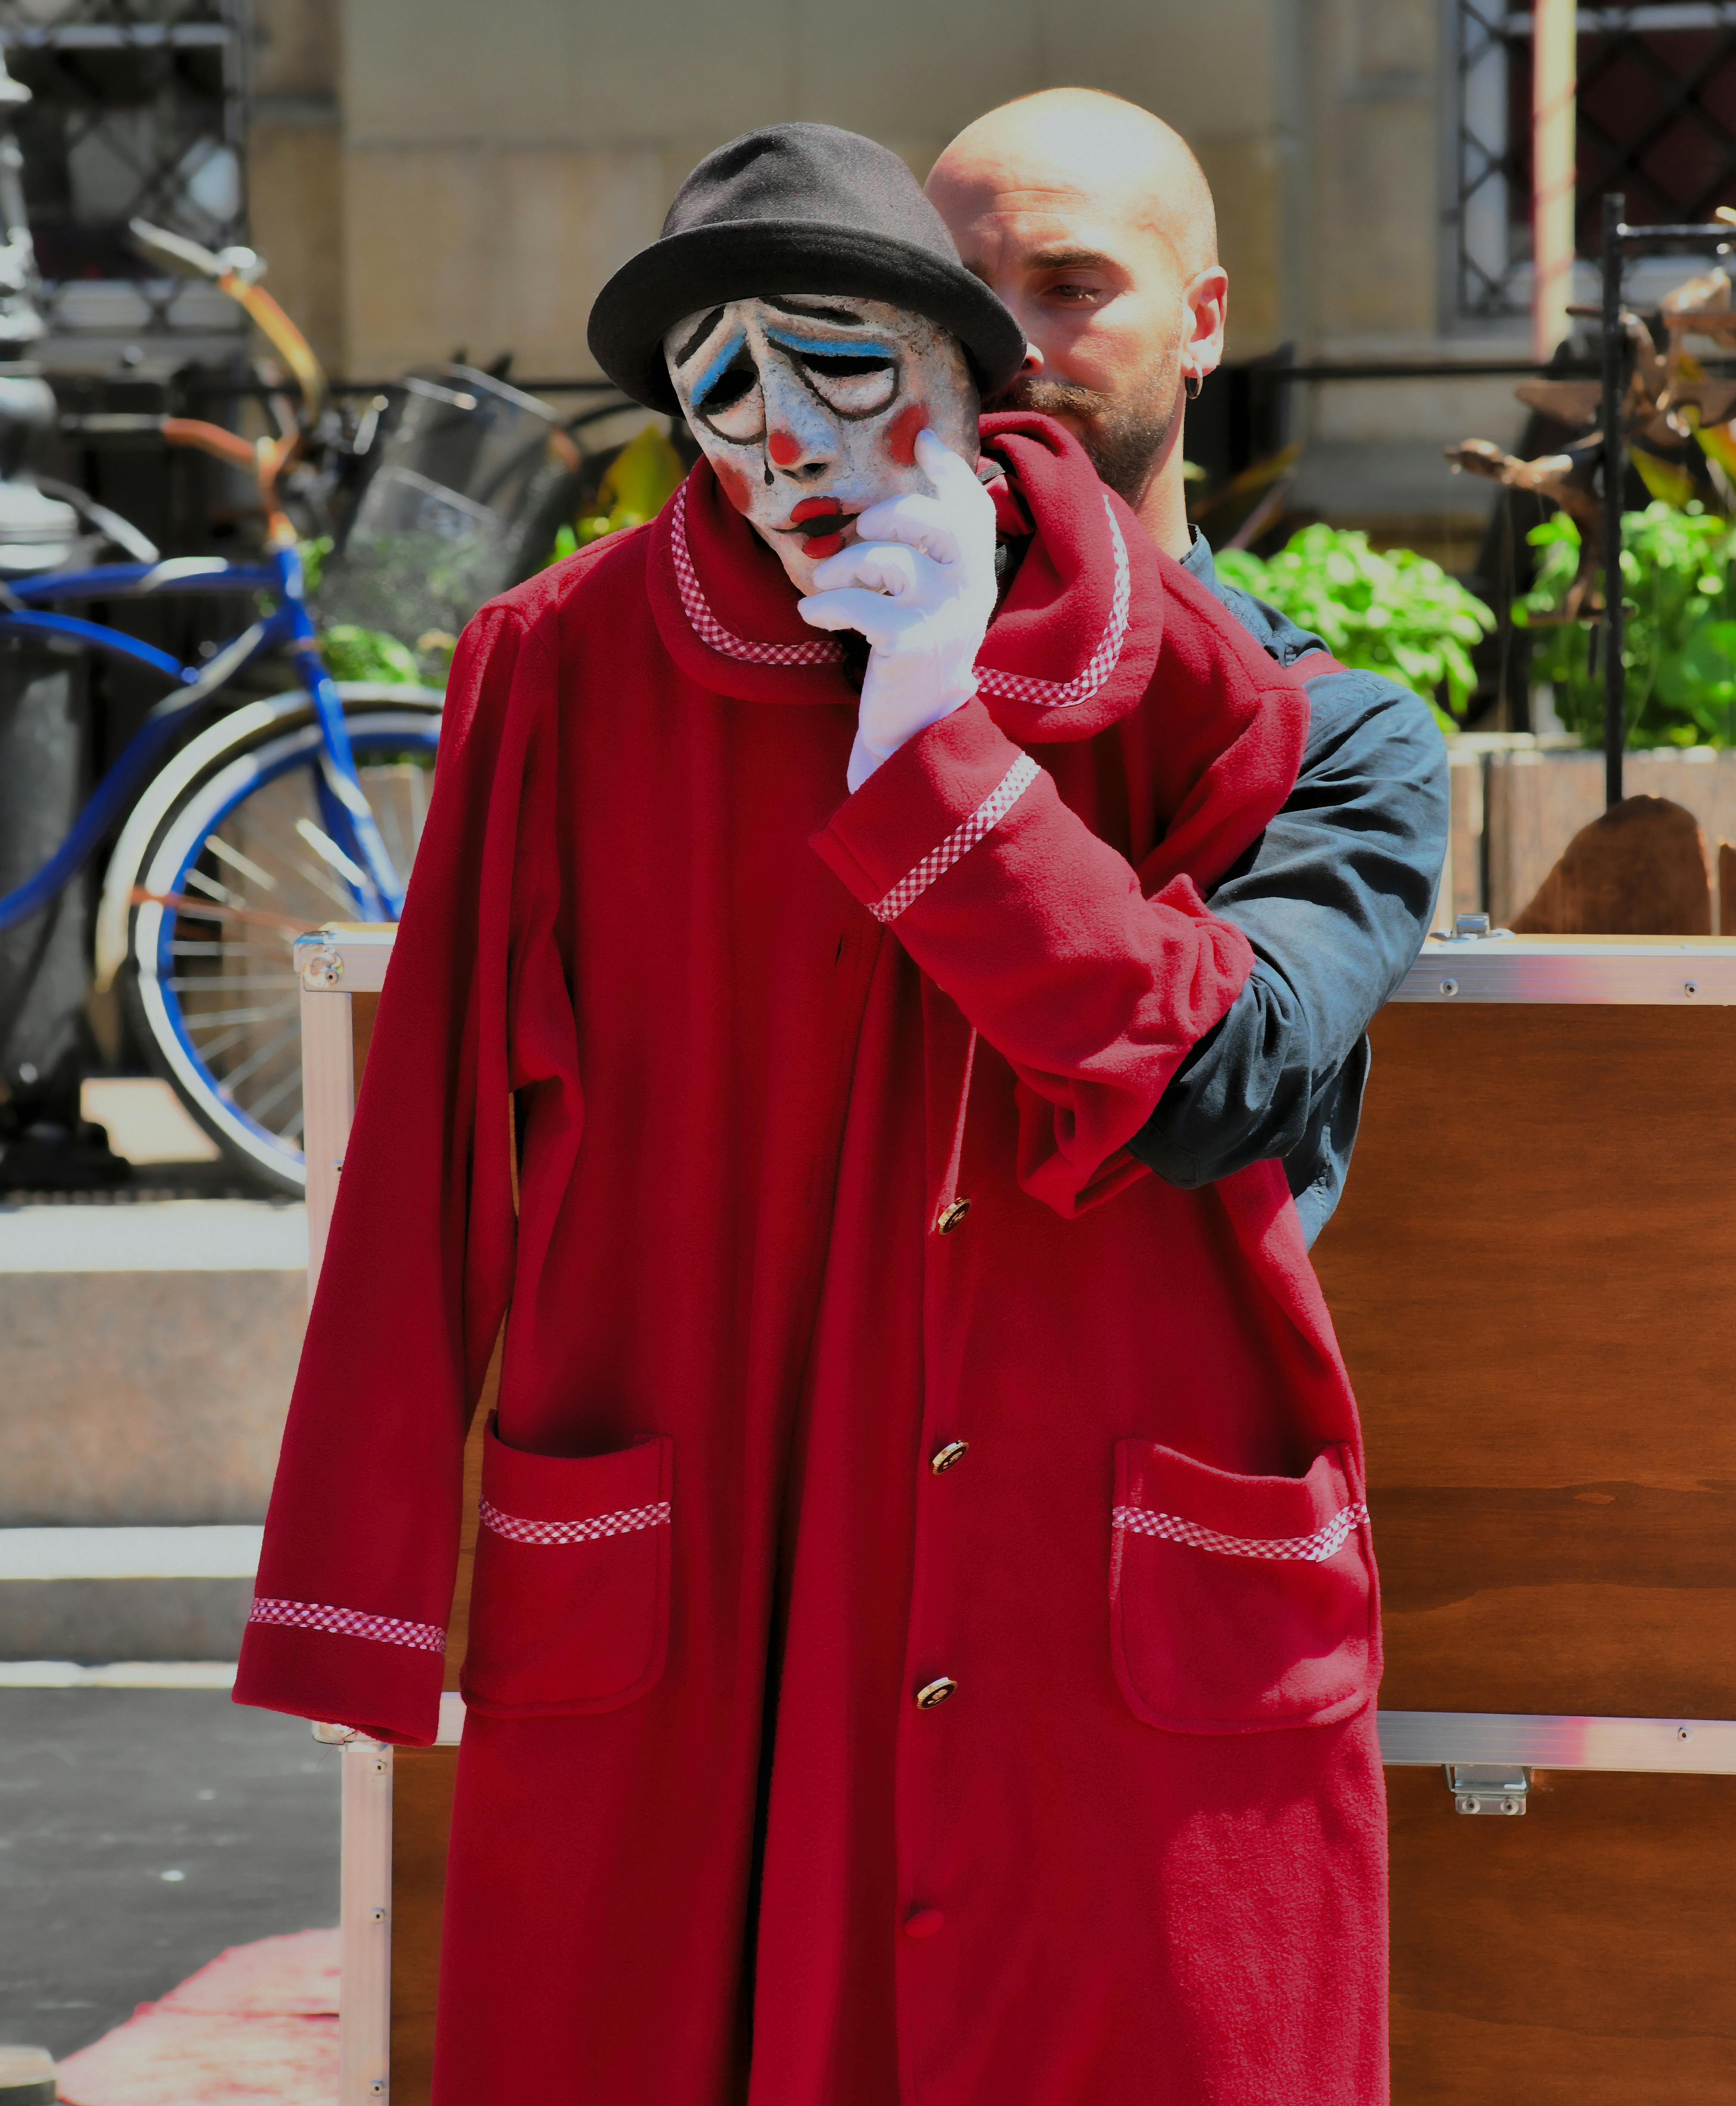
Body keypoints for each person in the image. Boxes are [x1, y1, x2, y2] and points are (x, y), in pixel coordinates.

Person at [236, 124, 1390, 2104]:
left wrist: (933, 736)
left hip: (1099, 1603)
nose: (781, 437)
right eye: (720, 388)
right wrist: (356, 1593)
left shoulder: (1262, 707)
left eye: (844, 362)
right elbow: (431, 1150)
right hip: (709, 1582)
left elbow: (1203, 1073)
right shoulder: (565, 668)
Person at [928, 88, 1449, 1245]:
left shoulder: (1342, 737)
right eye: (960, 294)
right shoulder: (796, 657)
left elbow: (1221, 1090)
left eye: (1071, 287)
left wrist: (920, 745)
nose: (1007, 343)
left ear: (1200, 322)